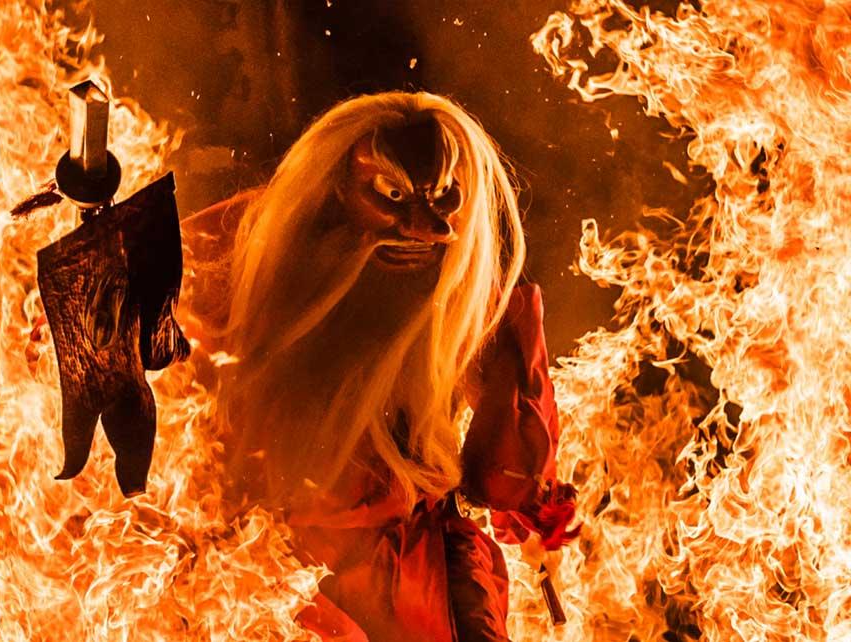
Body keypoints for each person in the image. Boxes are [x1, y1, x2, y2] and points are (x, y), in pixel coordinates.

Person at [178, 92, 578, 641]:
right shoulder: (251, 249)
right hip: (273, 575)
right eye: (391, 195)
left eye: (444, 198)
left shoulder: (461, 297)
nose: (426, 227)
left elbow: (505, 476)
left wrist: (533, 508)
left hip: (417, 584)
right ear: (338, 190)